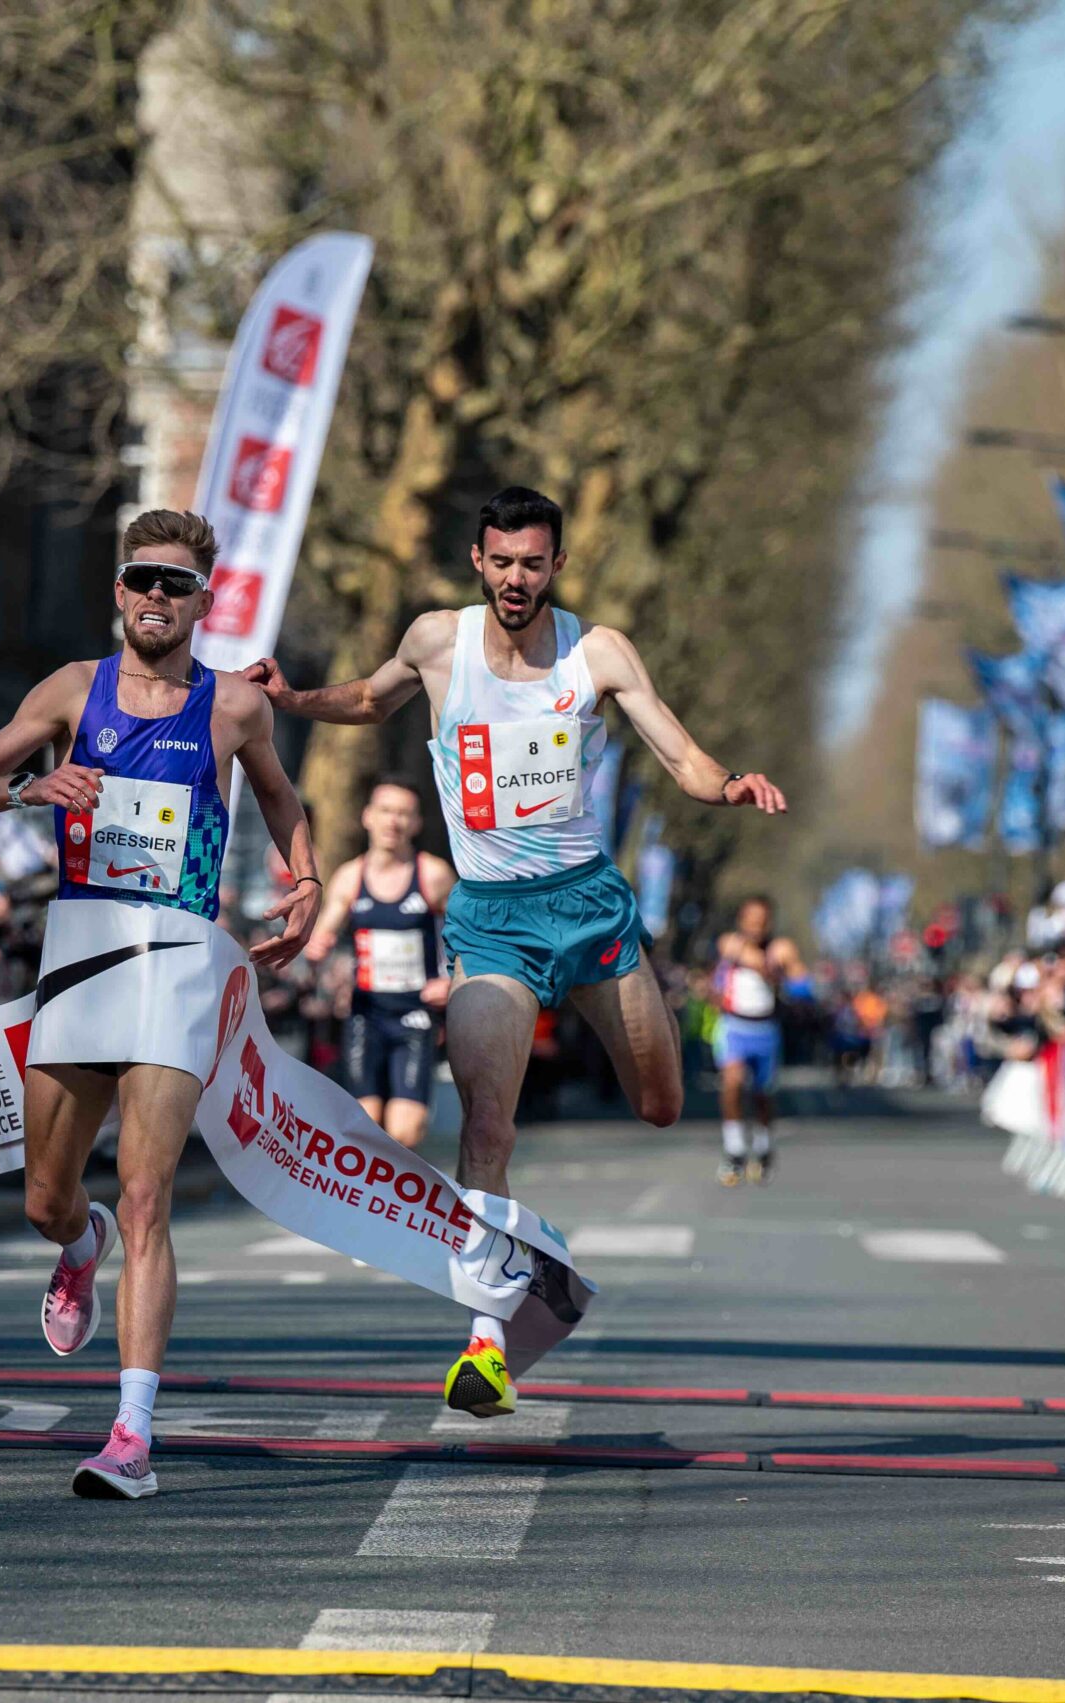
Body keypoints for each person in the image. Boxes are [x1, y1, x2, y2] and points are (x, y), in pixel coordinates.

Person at [246, 486, 784, 1420]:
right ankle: (488, 1346)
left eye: (533, 564)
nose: (516, 580)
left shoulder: (598, 651)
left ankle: (514, 1288)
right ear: (478, 561)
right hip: (490, 920)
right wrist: (292, 697)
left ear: (557, 568)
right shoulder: (436, 641)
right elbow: (372, 701)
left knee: (661, 1106)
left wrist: (730, 785)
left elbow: (682, 757)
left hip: (591, 912)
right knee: (486, 1128)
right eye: (501, 562)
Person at [0, 508, 320, 1500]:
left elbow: (279, 795)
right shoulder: (73, 690)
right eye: (141, 578)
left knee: (148, 1189)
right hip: (81, 948)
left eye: (175, 583)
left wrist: (305, 878)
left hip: (178, 957)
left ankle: (132, 1433)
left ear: (204, 598)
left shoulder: (234, 707)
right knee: (42, 1196)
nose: (156, 597)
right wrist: (32, 789)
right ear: (118, 590)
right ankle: (76, 1243)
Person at [303, 778, 453, 1148]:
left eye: (404, 814)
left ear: (416, 823)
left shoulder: (432, 875)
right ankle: (370, 1205)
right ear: (367, 817)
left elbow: (465, 937)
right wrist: (316, 950)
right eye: (386, 811)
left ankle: (401, 1201)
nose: (394, 821)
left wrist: (452, 979)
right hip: (365, 1013)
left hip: (415, 1013)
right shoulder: (350, 877)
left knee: (405, 1132)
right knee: (364, 1130)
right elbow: (322, 939)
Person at [711, 895, 804, 1184]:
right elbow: (742, 957)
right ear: (741, 921)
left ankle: (763, 1149)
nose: (756, 927)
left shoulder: (781, 948)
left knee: (763, 1096)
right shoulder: (730, 943)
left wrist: (790, 972)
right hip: (734, 1027)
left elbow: (802, 981)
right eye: (751, 921)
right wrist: (767, 965)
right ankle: (735, 1150)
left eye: (761, 922)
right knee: (732, 1083)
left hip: (766, 1031)